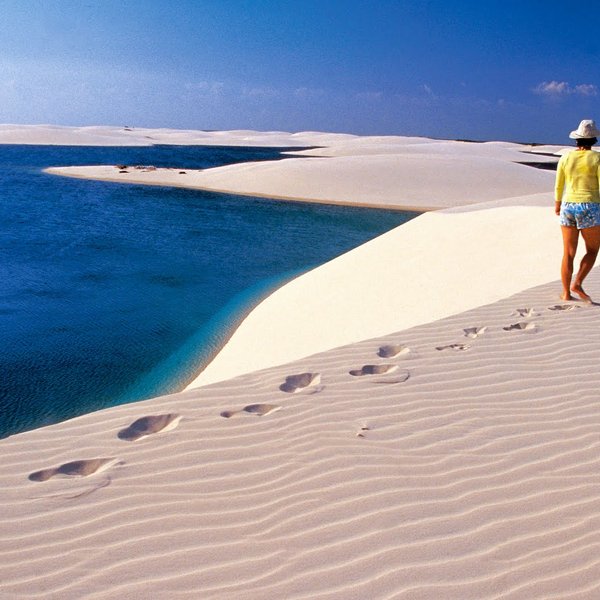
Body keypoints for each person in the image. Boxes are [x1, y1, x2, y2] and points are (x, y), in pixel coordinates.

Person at [555, 119, 600, 302]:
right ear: (593, 140)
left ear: (577, 140)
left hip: (568, 205)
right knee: (592, 249)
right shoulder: (597, 158)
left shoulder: (565, 157)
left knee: (568, 252)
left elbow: (559, 184)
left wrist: (558, 204)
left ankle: (566, 293)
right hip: (590, 205)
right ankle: (578, 283)